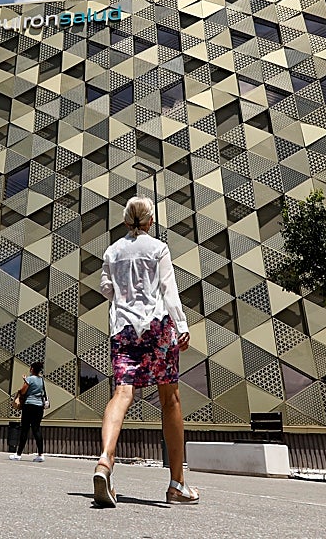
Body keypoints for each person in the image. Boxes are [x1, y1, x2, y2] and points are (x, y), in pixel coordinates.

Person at [93, 196, 199, 507]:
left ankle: (105, 461)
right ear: (150, 222)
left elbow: (106, 289)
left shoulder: (112, 251)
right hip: (156, 327)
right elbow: (168, 288)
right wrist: (182, 325)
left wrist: (123, 289)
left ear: (126, 221)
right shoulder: (158, 248)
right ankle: (177, 483)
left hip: (123, 328)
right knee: (170, 398)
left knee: (122, 393)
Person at [9, 361, 47, 462]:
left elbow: (23, 391)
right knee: (37, 429)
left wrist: (24, 382)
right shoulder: (41, 380)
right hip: (39, 406)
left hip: (29, 405)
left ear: (32, 369)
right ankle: (40, 455)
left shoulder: (30, 379)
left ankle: (18, 454)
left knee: (25, 429)